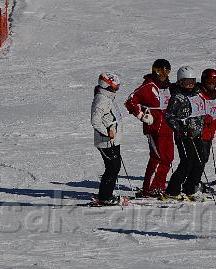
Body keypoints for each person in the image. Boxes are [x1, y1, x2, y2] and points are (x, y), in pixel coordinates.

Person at [124, 59, 174, 197]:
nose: (163, 74)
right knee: (158, 157)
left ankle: (159, 186)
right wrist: (142, 115)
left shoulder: (168, 87)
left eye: (166, 71)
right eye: (159, 71)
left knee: (168, 157)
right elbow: (130, 101)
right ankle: (150, 188)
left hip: (168, 128)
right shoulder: (148, 86)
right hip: (154, 128)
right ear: (154, 70)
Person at [163, 66, 209, 199]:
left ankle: (190, 188)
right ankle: (172, 190)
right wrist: (180, 128)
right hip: (184, 136)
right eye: (186, 82)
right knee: (187, 162)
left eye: (192, 81)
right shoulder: (177, 97)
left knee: (200, 161)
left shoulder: (197, 94)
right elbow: (169, 117)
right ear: (180, 82)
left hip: (197, 134)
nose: (190, 84)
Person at [89, 72, 124, 206]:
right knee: (112, 167)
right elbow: (95, 121)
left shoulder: (107, 97)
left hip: (112, 139)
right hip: (106, 141)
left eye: (117, 87)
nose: (116, 90)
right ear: (106, 85)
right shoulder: (101, 100)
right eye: (114, 87)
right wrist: (107, 133)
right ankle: (105, 196)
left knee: (114, 166)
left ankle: (106, 193)